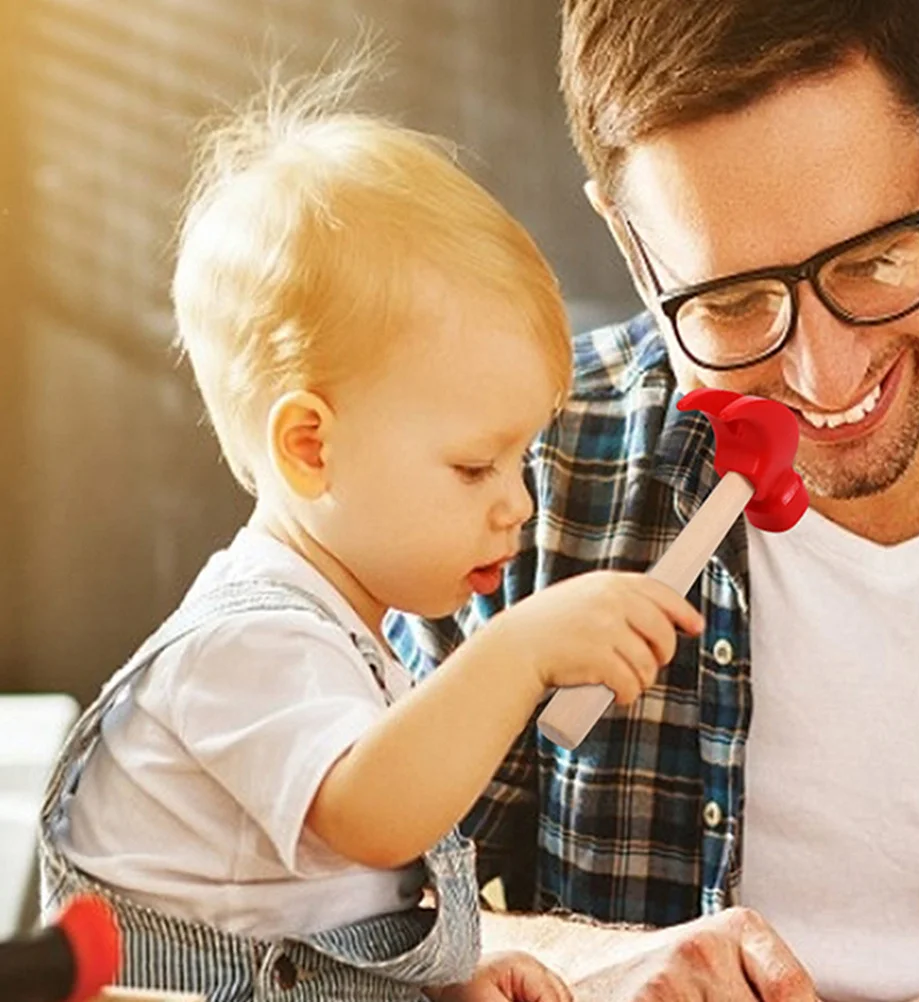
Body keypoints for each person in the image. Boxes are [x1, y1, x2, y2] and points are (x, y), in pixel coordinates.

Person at [35, 67, 705, 1002]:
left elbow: (316, 923)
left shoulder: (346, 639)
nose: (518, 503)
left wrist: (438, 977)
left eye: (523, 460)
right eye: (476, 466)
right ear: (311, 448)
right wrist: (521, 651)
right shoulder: (248, 642)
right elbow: (374, 814)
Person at [387, 2, 919, 1000]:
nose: (822, 374)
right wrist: (568, 962)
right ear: (631, 248)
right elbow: (321, 897)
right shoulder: (532, 472)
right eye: (731, 302)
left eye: (873, 259)